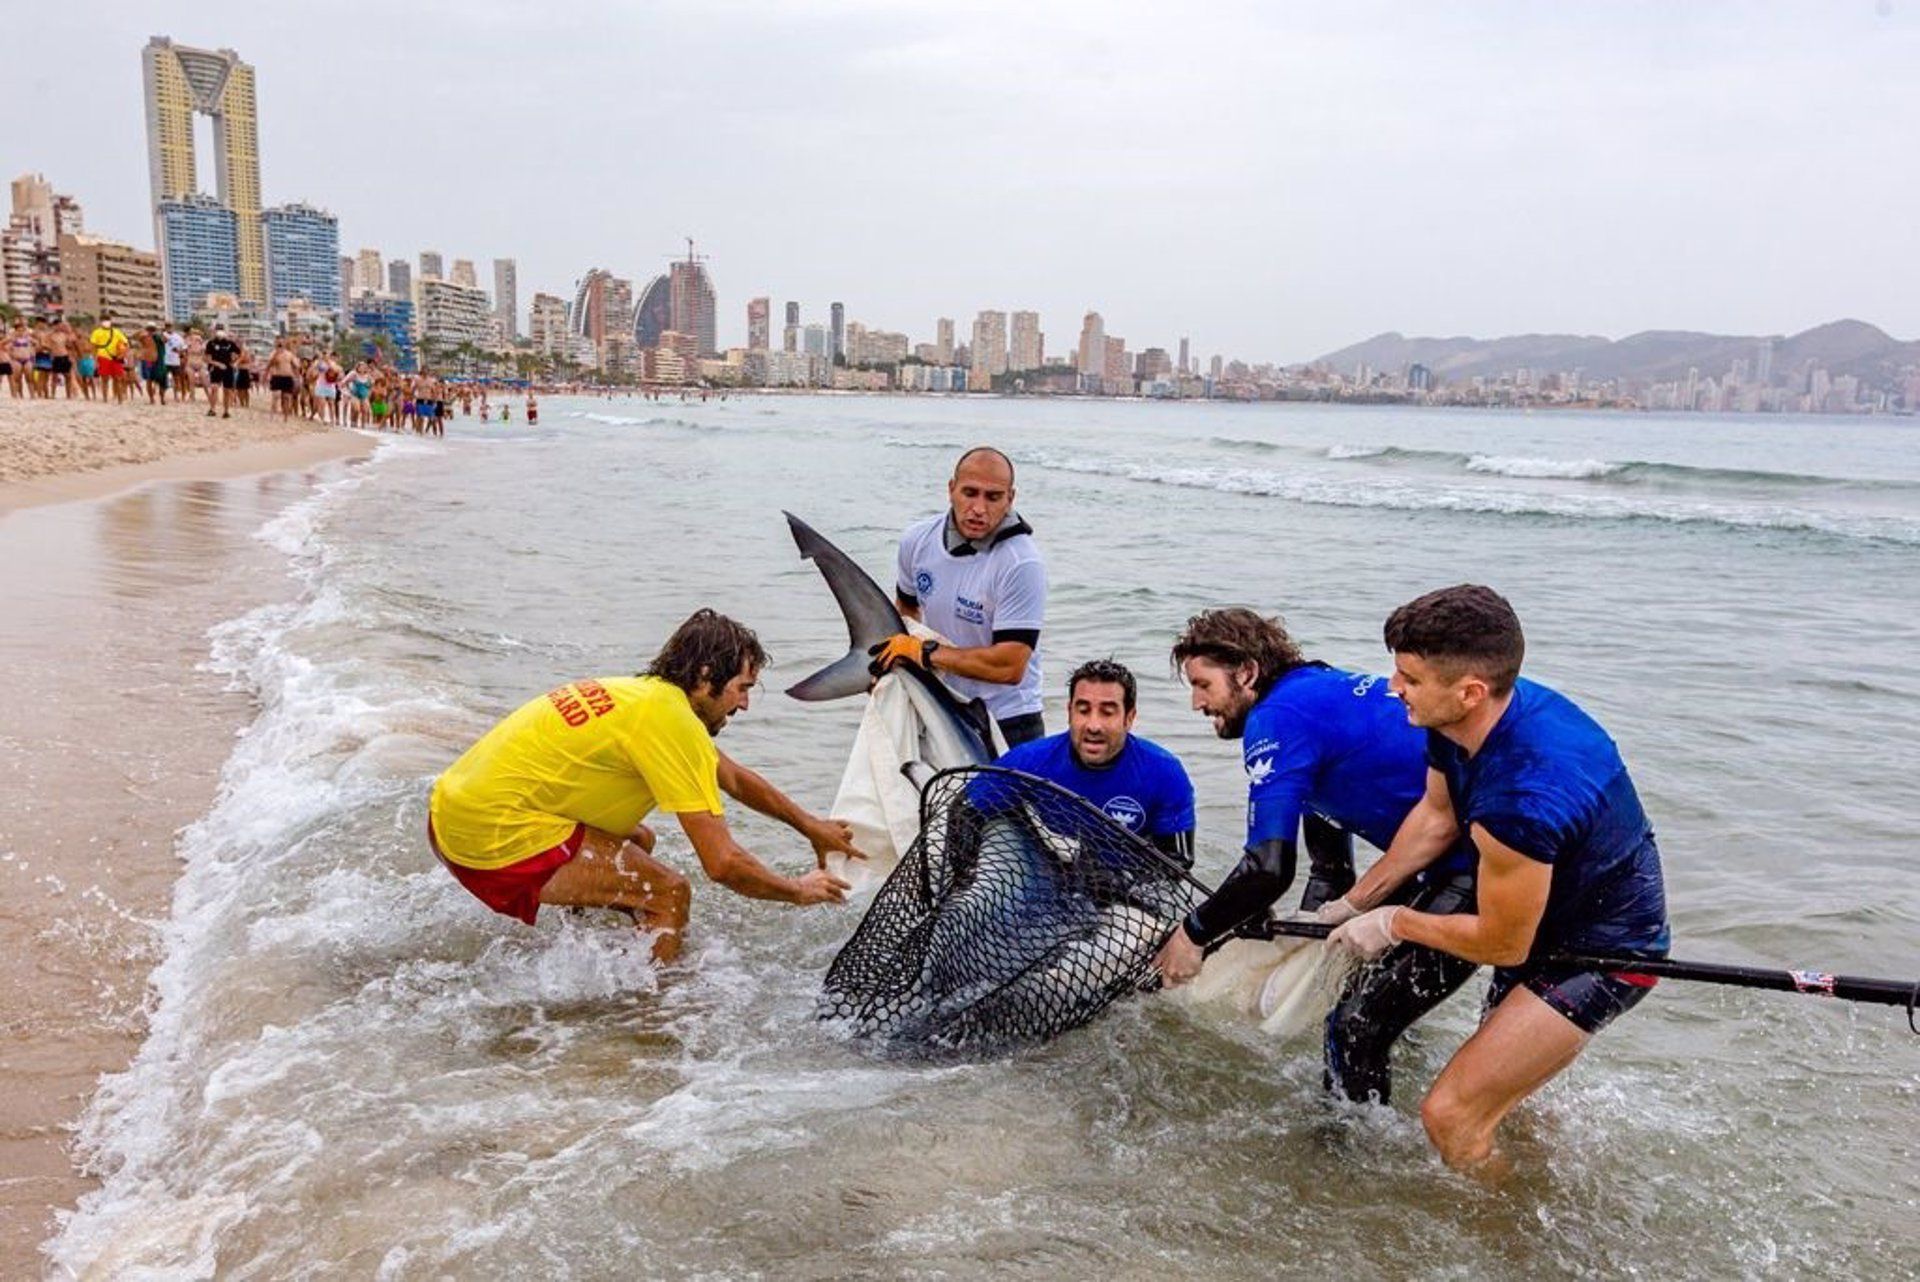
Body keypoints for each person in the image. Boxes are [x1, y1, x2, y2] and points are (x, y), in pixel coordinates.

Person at [1326, 585, 1669, 1172]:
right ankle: (1540, 1181)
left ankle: (1507, 1235)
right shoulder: (1458, 718)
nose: (1393, 687)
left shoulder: (1521, 797)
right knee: (1500, 1103)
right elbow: (1436, 819)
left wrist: (1396, 922)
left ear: (1471, 691)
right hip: (1535, 919)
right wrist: (1354, 903)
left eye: (1408, 677)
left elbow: (1501, 942)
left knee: (1451, 1114)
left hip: (1605, 951)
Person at [1150, 608, 1481, 1095]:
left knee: (1353, 1029)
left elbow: (1268, 868)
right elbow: (1331, 870)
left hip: (1478, 867)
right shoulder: (1315, 691)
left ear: (1245, 673)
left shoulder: (1276, 720)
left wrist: (1192, 934)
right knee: (1382, 1004)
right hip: (1448, 860)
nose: (1198, 704)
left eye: (1203, 685)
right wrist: (1291, 934)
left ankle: (1348, 1158)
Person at [428, 609, 862, 961]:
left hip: (451, 813)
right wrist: (798, 890)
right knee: (669, 893)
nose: (745, 704)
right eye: (741, 688)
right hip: (487, 839)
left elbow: (730, 777)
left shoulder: (646, 697)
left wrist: (810, 826)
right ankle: (649, 1015)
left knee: (639, 839)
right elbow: (723, 864)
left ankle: (588, 954)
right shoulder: (671, 723)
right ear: (706, 676)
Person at [875, 447, 1048, 748]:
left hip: (1010, 718)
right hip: (943, 708)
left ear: (1010, 498)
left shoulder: (1021, 562)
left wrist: (925, 653)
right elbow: (906, 610)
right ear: (951, 489)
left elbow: (1010, 666)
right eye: (970, 493)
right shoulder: (917, 541)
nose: (979, 508)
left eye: (993, 497)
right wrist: (891, 665)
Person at [992, 658, 1195, 865]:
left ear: (1129, 718)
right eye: (1083, 710)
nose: (1093, 725)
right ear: (1069, 712)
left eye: (1107, 712)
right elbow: (966, 812)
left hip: (1126, 887)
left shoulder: (1164, 773)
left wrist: (1127, 887)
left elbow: (1178, 862)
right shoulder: (1027, 763)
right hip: (1046, 879)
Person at [90, 314, 129, 404]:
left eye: (107, 319)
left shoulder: (116, 332)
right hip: (102, 357)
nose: (106, 322)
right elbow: (93, 347)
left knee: (118, 379)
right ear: (100, 321)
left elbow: (126, 344)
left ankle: (120, 399)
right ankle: (105, 399)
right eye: (104, 320)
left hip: (116, 358)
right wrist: (95, 360)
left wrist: (123, 355)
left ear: (111, 321)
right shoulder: (96, 332)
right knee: (104, 379)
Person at [204, 325, 238, 418]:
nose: (219, 332)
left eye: (221, 330)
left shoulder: (229, 343)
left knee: (226, 390)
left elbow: (239, 353)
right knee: (214, 388)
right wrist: (218, 364)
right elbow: (207, 359)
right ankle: (212, 409)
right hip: (215, 368)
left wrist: (234, 362)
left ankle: (226, 411)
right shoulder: (211, 343)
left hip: (228, 368)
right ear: (215, 332)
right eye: (218, 330)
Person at [265, 337, 298, 419]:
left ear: (284, 344)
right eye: (278, 343)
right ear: (276, 344)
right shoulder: (273, 353)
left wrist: (296, 375)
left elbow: (296, 366)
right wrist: (276, 354)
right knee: (275, 396)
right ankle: (272, 415)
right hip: (277, 376)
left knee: (286, 397)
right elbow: (269, 365)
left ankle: (285, 417)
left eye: (282, 343)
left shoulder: (289, 354)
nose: (280, 344)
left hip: (287, 377)